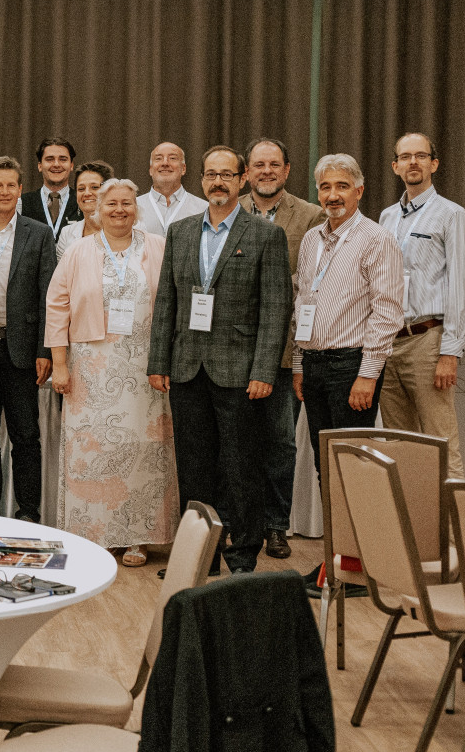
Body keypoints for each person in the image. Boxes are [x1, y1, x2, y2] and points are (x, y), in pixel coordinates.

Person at [148, 145, 291, 575]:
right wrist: (159, 361)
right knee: (194, 467)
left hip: (241, 372)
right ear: (202, 179)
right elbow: (167, 301)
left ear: (242, 179)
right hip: (187, 367)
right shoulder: (182, 232)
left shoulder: (265, 235)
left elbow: (276, 309)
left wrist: (264, 370)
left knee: (241, 466)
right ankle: (201, 556)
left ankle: (243, 555)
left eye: (227, 174)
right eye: (211, 174)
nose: (218, 182)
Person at [46, 179, 175, 565]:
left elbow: (172, 304)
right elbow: (57, 305)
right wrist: (59, 364)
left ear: (137, 209)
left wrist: (166, 360)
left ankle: (138, 536)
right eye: (112, 204)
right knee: (93, 450)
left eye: (127, 203)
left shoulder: (158, 246)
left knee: (143, 449)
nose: (119, 210)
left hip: (145, 367)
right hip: (90, 368)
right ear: (97, 209)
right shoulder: (78, 250)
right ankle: (95, 534)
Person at [239, 137, 325, 560]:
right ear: (247, 172)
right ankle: (241, 525)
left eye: (274, 164)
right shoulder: (230, 210)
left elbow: (315, 285)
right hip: (235, 349)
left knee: (280, 444)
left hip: (286, 349)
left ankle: (275, 525)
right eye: (259, 165)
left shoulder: (311, 216)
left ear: (287, 170)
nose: (267, 171)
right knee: (238, 444)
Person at [292, 154, 405, 463]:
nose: (333, 195)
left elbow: (387, 313)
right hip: (312, 365)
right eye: (325, 187)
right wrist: (299, 364)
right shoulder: (311, 239)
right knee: (324, 463)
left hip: (351, 366)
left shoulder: (377, 239)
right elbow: (301, 301)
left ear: (359, 191)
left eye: (342, 186)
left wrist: (368, 375)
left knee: (353, 464)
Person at [378, 132, 465, 476]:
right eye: (405, 157)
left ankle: (452, 515)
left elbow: (460, 285)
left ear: (434, 164)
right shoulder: (387, 217)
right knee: (399, 446)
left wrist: (450, 353)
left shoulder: (451, 214)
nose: (413, 162)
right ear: (395, 166)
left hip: (427, 341)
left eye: (420, 156)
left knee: (439, 442)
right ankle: (412, 513)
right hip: (389, 343)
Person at [0, 156, 57, 522]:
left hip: (20, 350)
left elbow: (48, 296)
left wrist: (44, 349)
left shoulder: (38, 233)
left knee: (25, 437)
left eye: (11, 185)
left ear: (20, 189)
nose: (4, 191)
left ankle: (28, 512)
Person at [135, 141, 208, 238]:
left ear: (183, 169)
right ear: (151, 169)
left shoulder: (204, 209)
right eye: (158, 158)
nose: (165, 163)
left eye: (172, 158)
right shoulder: (133, 207)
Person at [21, 137, 81, 237]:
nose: (56, 164)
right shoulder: (22, 203)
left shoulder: (82, 202)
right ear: (40, 166)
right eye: (50, 159)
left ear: (71, 165)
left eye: (63, 159)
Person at [55, 161, 115, 260]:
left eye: (94, 187)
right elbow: (61, 269)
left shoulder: (128, 229)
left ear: (109, 191)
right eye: (81, 189)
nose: (87, 193)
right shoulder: (67, 233)